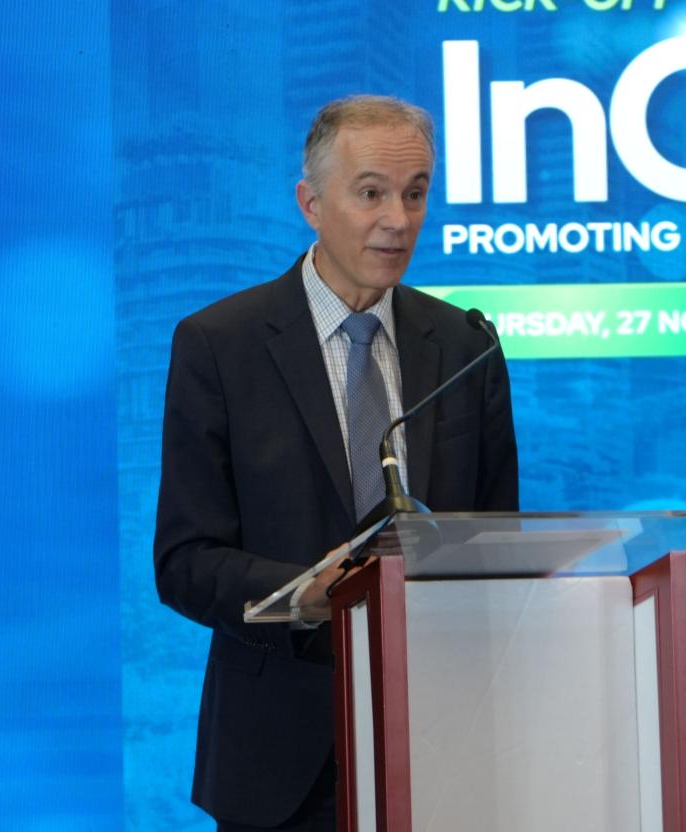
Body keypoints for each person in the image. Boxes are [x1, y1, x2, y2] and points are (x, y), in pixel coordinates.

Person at [154, 95, 519, 831]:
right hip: (278, 758)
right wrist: (303, 594)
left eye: (415, 193)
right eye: (371, 193)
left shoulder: (466, 345)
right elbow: (185, 562)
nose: (398, 219)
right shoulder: (219, 345)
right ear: (311, 203)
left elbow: (497, 545)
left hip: (438, 747)